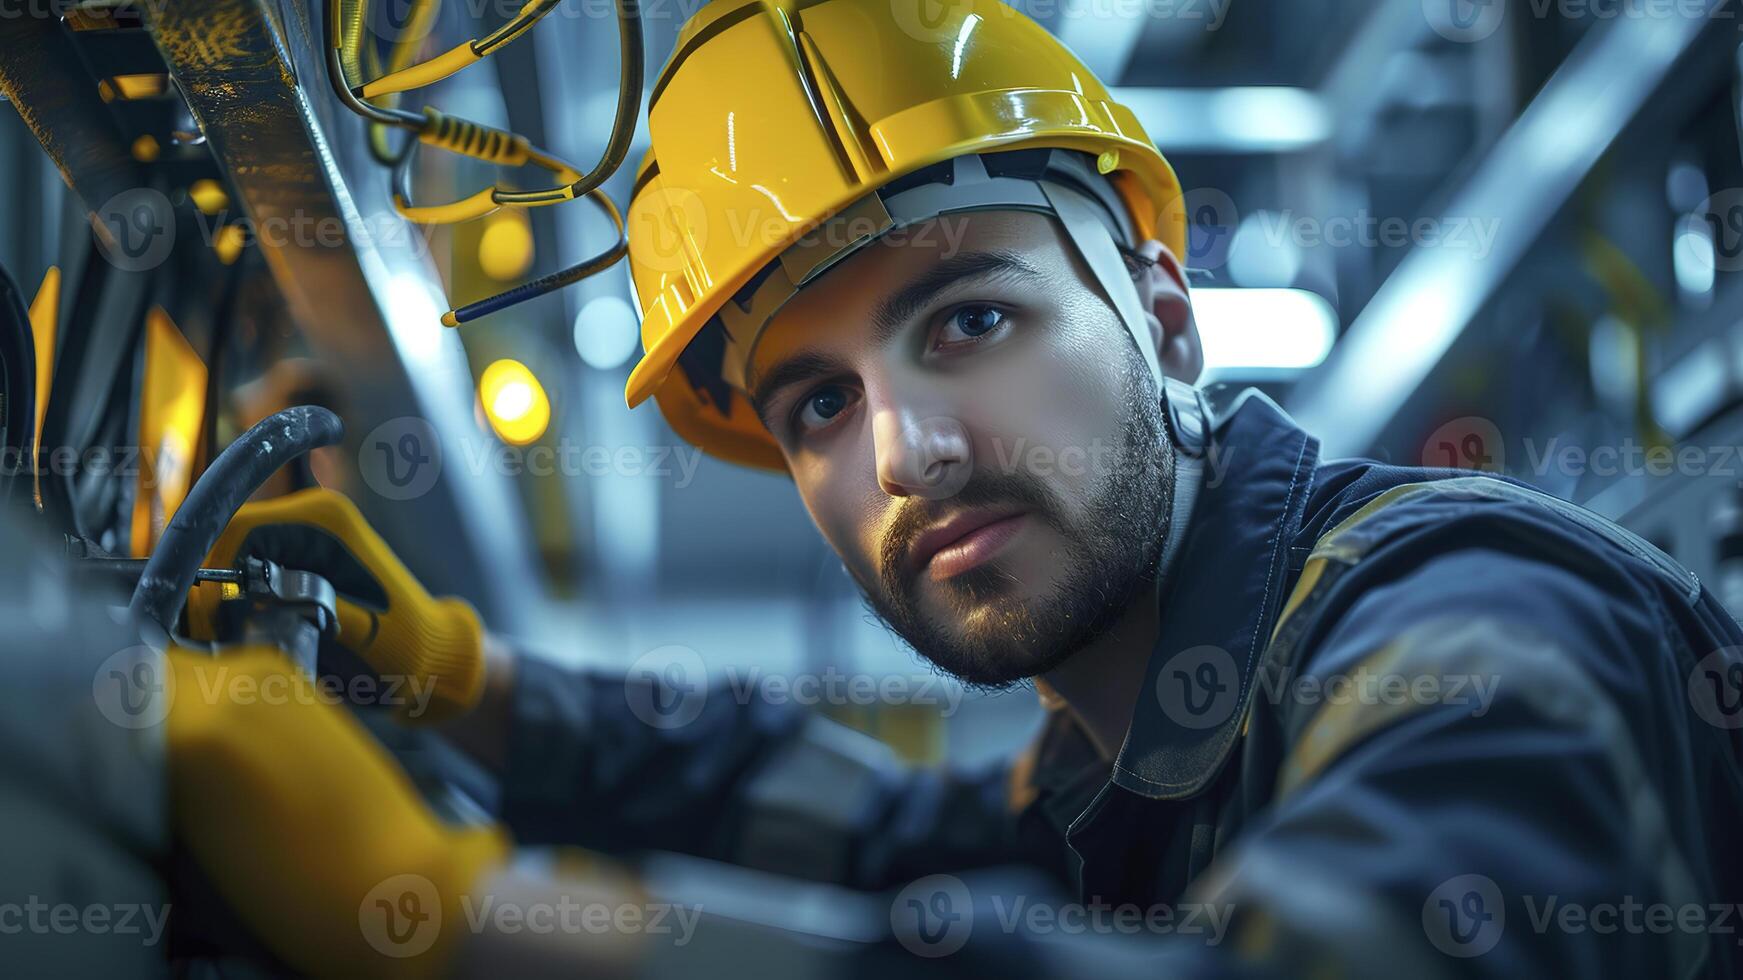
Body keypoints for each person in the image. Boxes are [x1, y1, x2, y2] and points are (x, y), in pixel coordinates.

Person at [159, 0, 1743, 975]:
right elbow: (868, 833)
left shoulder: (1468, 618)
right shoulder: (1115, 770)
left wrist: (461, 926)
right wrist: (464, 682)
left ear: (1165, 315)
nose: (903, 454)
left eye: (969, 320)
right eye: (818, 404)